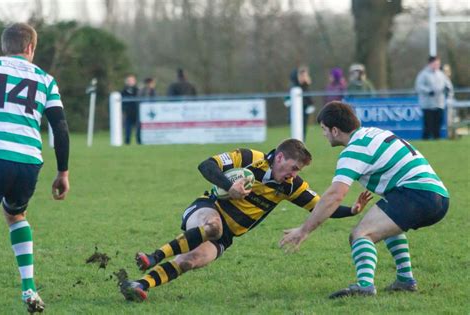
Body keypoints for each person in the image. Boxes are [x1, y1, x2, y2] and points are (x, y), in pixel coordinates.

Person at [119, 139, 372, 302]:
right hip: (207, 208)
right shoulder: (249, 158)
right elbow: (206, 166)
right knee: (213, 227)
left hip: (227, 236)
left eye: (298, 172)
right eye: (294, 168)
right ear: (281, 158)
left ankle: (139, 285)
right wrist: (231, 186)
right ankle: (153, 256)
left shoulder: (291, 186)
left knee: (190, 261)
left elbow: (321, 208)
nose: (294, 175)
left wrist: (352, 210)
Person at [280, 101, 449, 299]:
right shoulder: (372, 133)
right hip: (439, 196)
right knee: (387, 226)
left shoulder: (354, 149)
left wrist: (304, 229)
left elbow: (335, 195)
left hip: (417, 193)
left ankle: (365, 286)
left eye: (324, 129)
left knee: (361, 234)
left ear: (335, 130)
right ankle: (405, 280)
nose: (323, 134)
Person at [0, 23, 70, 312]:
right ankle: (29, 288)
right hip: (27, 161)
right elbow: (60, 129)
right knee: (15, 215)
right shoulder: (46, 79)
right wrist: (63, 172)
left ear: (5, 46)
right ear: (30, 48)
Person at [415, 56, 453, 140]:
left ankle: (437, 139)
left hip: (440, 103)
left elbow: (447, 84)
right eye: (435, 63)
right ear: (430, 63)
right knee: (428, 125)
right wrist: (428, 91)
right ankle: (426, 140)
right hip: (427, 104)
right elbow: (419, 86)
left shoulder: (441, 74)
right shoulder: (423, 74)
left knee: (438, 124)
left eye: (438, 63)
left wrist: (447, 89)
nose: (437, 65)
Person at [290, 66, 314, 140]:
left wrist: (310, 104)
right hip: (297, 110)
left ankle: (301, 143)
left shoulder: (306, 86)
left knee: (303, 128)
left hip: (304, 110)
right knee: (297, 128)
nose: (304, 77)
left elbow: (309, 98)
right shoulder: (295, 86)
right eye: (303, 75)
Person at [121, 74, 140, 144]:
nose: (130, 82)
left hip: (137, 113)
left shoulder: (138, 91)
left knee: (139, 131)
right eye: (129, 80)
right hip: (128, 114)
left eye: (132, 80)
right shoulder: (123, 92)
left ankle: (139, 143)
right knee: (127, 131)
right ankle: (127, 143)